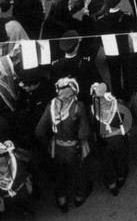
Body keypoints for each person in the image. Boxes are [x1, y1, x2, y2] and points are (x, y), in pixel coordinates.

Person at [34, 76, 92, 210]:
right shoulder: (78, 107)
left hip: (57, 148)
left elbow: (39, 131)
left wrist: (50, 142)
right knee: (78, 172)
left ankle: (62, 201)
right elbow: (84, 133)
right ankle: (79, 197)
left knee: (59, 174)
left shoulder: (51, 106)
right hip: (73, 148)